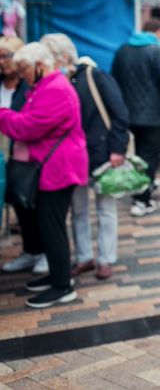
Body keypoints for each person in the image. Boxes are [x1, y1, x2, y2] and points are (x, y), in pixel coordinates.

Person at [0, 43, 88, 308]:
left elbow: (29, 126)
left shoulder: (55, 89)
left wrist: (2, 114)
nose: (22, 75)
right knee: (50, 226)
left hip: (59, 169)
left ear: (40, 64)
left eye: (25, 69)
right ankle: (58, 277)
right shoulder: (45, 86)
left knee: (52, 228)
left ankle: (62, 286)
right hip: (53, 168)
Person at [41, 34, 130, 280]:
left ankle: (106, 259)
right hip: (73, 157)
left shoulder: (94, 75)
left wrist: (117, 149)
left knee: (105, 207)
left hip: (101, 153)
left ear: (63, 56)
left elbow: (120, 113)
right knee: (78, 210)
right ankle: (84, 257)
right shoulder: (55, 81)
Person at [112, 18, 160, 217]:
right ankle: (141, 200)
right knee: (149, 156)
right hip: (152, 116)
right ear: (158, 32)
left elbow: (115, 80)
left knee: (138, 155)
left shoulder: (123, 50)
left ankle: (141, 190)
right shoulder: (158, 50)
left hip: (128, 115)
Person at [0, 36, 46, 275]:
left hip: (26, 154)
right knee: (17, 203)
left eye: (6, 56)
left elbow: (30, 122)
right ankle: (30, 250)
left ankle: (42, 251)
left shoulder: (29, 86)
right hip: (4, 154)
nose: (2, 62)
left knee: (30, 202)